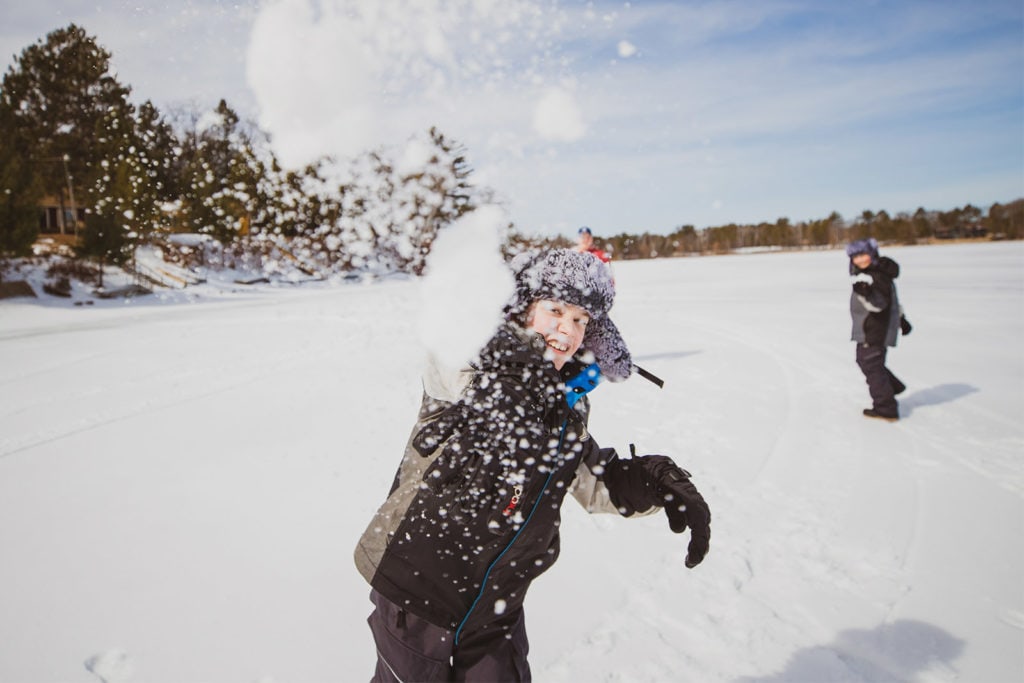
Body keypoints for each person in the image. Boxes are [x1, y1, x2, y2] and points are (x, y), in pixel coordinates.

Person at [355, 248, 711, 682]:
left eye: (581, 320)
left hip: (498, 605)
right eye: (555, 310)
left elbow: (593, 482)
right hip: (418, 590)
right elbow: (447, 359)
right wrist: (506, 371)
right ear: (523, 308)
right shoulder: (470, 366)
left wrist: (653, 481)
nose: (568, 328)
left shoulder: (564, 403)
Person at [847, 237, 909, 421]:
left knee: (871, 365)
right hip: (871, 329)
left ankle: (886, 408)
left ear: (872, 254)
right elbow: (893, 303)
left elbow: (879, 305)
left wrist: (865, 293)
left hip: (873, 330)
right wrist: (902, 320)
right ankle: (891, 387)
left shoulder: (875, 276)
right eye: (855, 256)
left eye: (863, 254)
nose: (859, 260)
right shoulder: (875, 273)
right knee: (868, 362)